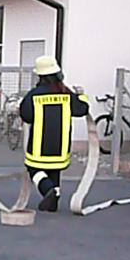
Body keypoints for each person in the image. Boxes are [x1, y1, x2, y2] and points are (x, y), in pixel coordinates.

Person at [20, 55, 90, 212]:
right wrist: (82, 96)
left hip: (39, 148)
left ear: (40, 75)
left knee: (34, 170)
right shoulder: (66, 94)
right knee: (54, 172)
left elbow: (26, 116)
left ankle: (48, 190)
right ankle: (53, 203)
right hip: (60, 148)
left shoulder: (34, 95)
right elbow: (82, 109)